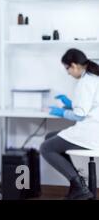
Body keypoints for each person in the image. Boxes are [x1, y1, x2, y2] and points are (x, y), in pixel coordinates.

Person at [40, 48, 99, 200]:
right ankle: (78, 184)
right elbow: (87, 106)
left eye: (67, 69)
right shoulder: (93, 77)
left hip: (90, 133)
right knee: (50, 136)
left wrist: (59, 112)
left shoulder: (85, 82)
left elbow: (79, 115)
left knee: (46, 148)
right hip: (92, 129)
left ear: (74, 65)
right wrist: (69, 104)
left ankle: (79, 186)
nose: (68, 73)